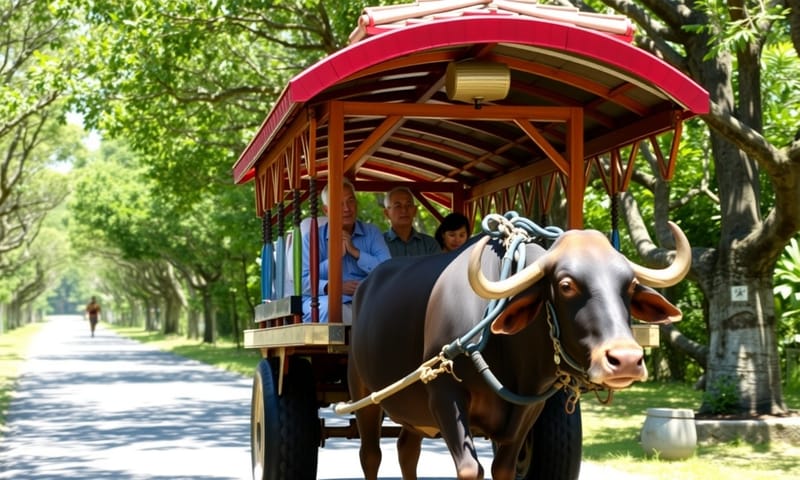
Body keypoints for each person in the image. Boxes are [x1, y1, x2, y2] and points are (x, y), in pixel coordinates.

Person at [301, 179, 391, 323]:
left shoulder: (372, 232)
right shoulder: (312, 238)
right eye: (339, 203)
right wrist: (335, 283)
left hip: (367, 294)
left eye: (350, 201)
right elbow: (304, 281)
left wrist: (356, 252)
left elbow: (388, 270)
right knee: (330, 308)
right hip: (324, 298)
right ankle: (328, 347)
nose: (347, 209)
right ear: (326, 210)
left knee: (395, 304)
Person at [382, 186, 440, 257]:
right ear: (386, 213)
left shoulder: (429, 244)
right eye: (398, 206)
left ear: (415, 210)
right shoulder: (378, 244)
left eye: (408, 205)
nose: (404, 210)